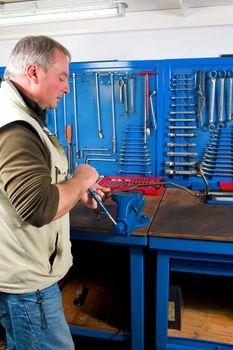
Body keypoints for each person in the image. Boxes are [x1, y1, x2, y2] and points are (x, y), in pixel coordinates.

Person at [0, 35, 110, 350]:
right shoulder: (16, 127)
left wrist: (76, 193)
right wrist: (81, 179)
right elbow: (39, 208)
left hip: (20, 270)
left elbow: (34, 189)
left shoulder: (22, 114)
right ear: (33, 72)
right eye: (62, 77)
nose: (66, 87)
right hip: (27, 283)